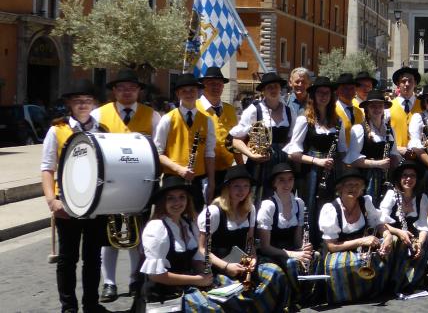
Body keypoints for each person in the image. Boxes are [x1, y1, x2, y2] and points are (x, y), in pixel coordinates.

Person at [93, 68, 162, 303]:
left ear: (139, 91)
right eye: (121, 88)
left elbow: (159, 150)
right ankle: (109, 283)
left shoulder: (152, 116)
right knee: (109, 238)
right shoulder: (99, 115)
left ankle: (135, 279)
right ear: (114, 91)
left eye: (131, 88)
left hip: (140, 186)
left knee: (137, 236)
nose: (127, 91)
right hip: (109, 186)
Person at [41, 80, 109, 313]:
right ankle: (68, 307)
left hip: (96, 204)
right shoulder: (56, 130)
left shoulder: (102, 130)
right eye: (78, 101)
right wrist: (52, 200)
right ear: (69, 104)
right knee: (67, 259)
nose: (83, 105)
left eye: (88, 101)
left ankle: (91, 304)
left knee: (93, 258)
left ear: (94, 104)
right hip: (67, 203)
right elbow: (47, 167)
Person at [197, 165, 290, 311]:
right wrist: (226, 266)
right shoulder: (214, 212)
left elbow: (250, 242)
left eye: (246, 186)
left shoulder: (250, 209)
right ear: (227, 188)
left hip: (242, 264)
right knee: (238, 292)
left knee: (275, 273)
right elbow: (202, 249)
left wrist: (253, 257)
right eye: (237, 186)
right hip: (219, 267)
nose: (242, 190)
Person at [138, 176, 218, 312]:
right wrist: (197, 280)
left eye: (182, 197)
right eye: (171, 198)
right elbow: (156, 276)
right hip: (164, 295)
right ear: (163, 202)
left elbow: (195, 259)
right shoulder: (157, 227)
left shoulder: (188, 224)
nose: (177, 202)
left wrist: (205, 275)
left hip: (187, 288)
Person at [283, 76, 346, 234]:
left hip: (331, 171)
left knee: (329, 205)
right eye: (320, 93)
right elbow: (293, 153)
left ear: (332, 96)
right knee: (310, 206)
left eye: (327, 93)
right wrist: (317, 161)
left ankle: (327, 240)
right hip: (310, 173)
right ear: (314, 96)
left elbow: (342, 150)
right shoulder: (304, 120)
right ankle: (309, 241)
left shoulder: (338, 122)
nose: (323, 96)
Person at [317, 168, 389, 304]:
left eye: (357, 185)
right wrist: (362, 241)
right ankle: (346, 296)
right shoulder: (331, 208)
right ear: (340, 188)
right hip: (338, 250)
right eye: (349, 185)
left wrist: (387, 236)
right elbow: (332, 246)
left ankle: (372, 292)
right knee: (343, 263)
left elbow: (378, 222)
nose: (353, 188)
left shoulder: (365, 201)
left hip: (360, 248)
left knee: (385, 250)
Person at [256, 163, 314, 308]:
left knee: (315, 256)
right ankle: (290, 299)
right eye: (281, 179)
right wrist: (294, 255)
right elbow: (265, 247)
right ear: (274, 183)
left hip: (291, 250)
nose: (287, 183)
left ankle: (307, 295)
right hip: (272, 253)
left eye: (290, 179)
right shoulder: (268, 206)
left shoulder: (299, 203)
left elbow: (297, 240)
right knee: (292, 263)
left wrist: (303, 248)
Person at [153, 74, 217, 202]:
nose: (189, 94)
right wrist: (179, 169)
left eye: (192, 90)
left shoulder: (207, 121)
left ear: (198, 93)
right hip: (173, 177)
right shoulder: (168, 119)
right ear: (178, 94)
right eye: (184, 91)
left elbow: (209, 153)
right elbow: (158, 152)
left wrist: (211, 182)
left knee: (196, 216)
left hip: (197, 178)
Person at [230, 72, 293, 195]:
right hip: (260, 164)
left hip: (282, 163)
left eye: (276, 86)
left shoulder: (289, 112)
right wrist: (251, 155)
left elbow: (292, 140)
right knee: (259, 198)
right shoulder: (254, 110)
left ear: (280, 88)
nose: (273, 90)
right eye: (269, 87)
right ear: (263, 91)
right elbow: (235, 139)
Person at [378, 162, 428, 294]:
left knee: (422, 250)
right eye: (405, 175)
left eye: (412, 176)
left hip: (413, 237)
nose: (408, 179)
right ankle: (391, 283)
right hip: (393, 234)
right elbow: (380, 221)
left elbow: (423, 225)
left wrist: (419, 243)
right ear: (399, 179)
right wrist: (398, 232)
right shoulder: (391, 194)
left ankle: (408, 283)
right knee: (398, 242)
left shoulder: (422, 198)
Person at [346, 90, 400, 203]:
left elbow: (394, 154)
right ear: (367, 109)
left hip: (386, 177)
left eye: (380, 106)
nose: (376, 109)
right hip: (366, 178)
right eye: (373, 106)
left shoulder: (390, 130)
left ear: (384, 108)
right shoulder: (359, 129)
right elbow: (353, 160)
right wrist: (378, 164)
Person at [197, 67, 241, 185]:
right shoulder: (195, 108)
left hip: (226, 170)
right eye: (211, 84)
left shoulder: (230, 110)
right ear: (203, 85)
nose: (216, 87)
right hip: (201, 171)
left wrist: (241, 168)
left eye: (219, 84)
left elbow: (235, 141)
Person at [389, 67, 423, 150]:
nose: (407, 84)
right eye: (403, 81)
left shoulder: (423, 106)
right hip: (396, 156)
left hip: (420, 156)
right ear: (398, 84)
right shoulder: (388, 107)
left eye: (410, 81)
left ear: (415, 83)